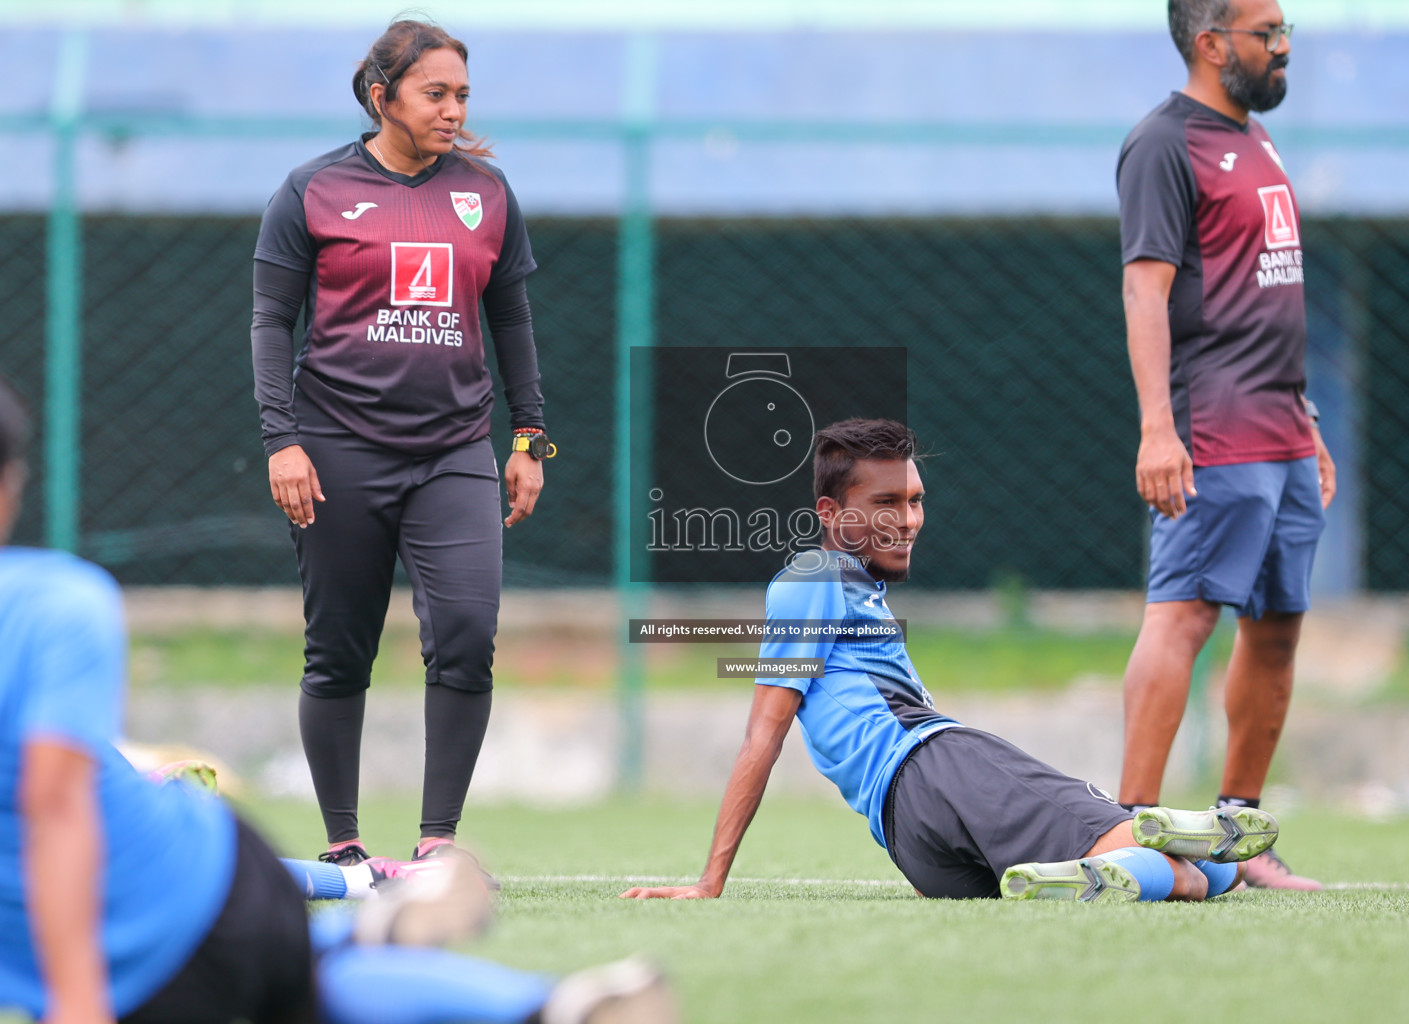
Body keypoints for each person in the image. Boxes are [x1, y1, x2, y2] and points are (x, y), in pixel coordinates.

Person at [0, 377, 672, 1024]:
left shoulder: (50, 603)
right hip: (184, 886)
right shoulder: (58, 597)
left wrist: (77, 996)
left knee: (295, 973)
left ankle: (408, 924)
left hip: (154, 914)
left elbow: (56, 809)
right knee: (303, 972)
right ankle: (452, 949)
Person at [622, 420, 1280, 904]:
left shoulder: (850, 589)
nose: (909, 520)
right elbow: (762, 734)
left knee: (1211, 876)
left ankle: (1136, 856)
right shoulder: (816, 575)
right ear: (830, 512)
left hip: (916, 848)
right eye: (887, 503)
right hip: (933, 764)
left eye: (915, 500)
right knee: (1182, 871)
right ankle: (1154, 836)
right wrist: (710, 882)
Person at [250, 18, 558, 866]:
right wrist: (282, 441)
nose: (453, 109)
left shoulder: (488, 194)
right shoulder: (310, 191)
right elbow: (271, 323)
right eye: (435, 93)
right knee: (339, 648)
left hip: (455, 452)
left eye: (462, 94)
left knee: (465, 630)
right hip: (335, 449)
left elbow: (513, 322)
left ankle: (436, 848)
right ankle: (344, 848)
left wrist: (531, 440)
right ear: (382, 97)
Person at [1114, 0, 1334, 890]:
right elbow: (1144, 292)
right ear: (1211, 44)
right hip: (1213, 430)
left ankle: (1243, 837)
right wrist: (1158, 429)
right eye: (1266, 33)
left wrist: (1308, 421)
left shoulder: (1257, 138)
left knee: (1277, 631)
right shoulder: (1164, 144)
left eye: (1287, 31)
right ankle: (1126, 830)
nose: (1283, 48)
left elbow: (1261, 297)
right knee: (1183, 618)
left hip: (1283, 430)